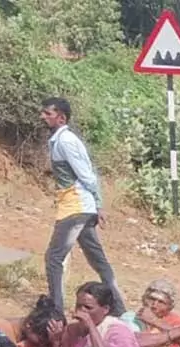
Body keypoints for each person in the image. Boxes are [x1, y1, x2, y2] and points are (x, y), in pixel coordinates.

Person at [40, 97, 124, 313]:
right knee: (97, 260)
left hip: (75, 207)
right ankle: (118, 309)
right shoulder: (60, 140)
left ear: (61, 118)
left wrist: (99, 203)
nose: (43, 117)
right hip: (79, 207)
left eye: (48, 114)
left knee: (54, 258)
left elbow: (87, 175)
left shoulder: (66, 141)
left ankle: (56, 311)